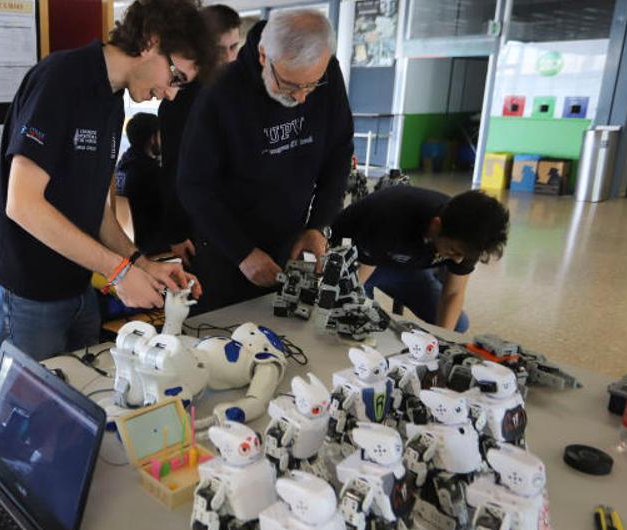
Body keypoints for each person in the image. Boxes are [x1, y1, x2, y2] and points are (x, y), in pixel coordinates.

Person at [0, 0, 216, 361]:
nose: (171, 92)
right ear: (151, 41)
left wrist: (140, 264)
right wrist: (118, 273)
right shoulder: (61, 79)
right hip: (25, 288)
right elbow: (22, 204)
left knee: (88, 390)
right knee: (39, 407)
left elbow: (98, 213)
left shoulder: (113, 101)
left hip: (76, 284)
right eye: (176, 77)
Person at [178, 10, 354, 312]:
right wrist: (243, 253)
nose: (301, 99)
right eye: (289, 86)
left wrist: (318, 225)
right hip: (227, 248)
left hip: (291, 239)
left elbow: (339, 153)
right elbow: (193, 186)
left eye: (311, 86)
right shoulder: (219, 95)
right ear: (263, 56)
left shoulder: (327, 74)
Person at [328, 186, 510, 333]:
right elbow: (355, 285)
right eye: (453, 251)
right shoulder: (392, 216)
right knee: (355, 322)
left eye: (464, 255)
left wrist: (441, 342)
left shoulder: (469, 239)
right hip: (356, 261)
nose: (457, 261)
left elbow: (453, 294)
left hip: (406, 264)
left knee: (456, 326)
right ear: (436, 225)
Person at [158, 4, 242, 267]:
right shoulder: (178, 100)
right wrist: (176, 231)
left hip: (238, 219)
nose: (229, 58)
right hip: (197, 224)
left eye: (234, 48)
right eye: (220, 50)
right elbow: (173, 169)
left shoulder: (240, 91)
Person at [114, 113, 164, 255]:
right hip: (148, 244)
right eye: (160, 135)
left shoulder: (122, 165)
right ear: (152, 138)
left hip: (128, 240)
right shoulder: (150, 172)